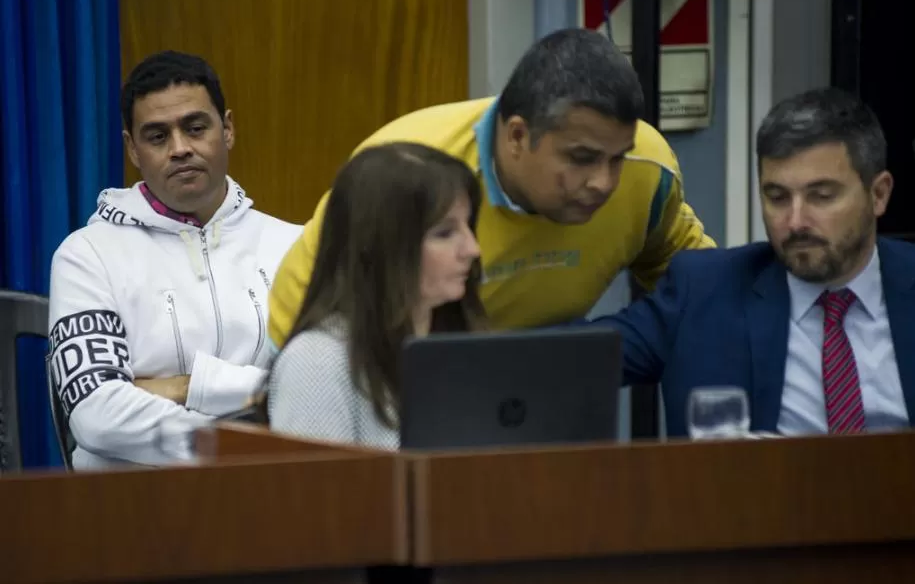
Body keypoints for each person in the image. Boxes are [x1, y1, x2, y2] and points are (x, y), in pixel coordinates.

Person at [267, 28, 715, 350]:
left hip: (541, 389)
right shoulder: (406, 169)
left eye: (616, 158)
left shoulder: (647, 170)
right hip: (399, 393)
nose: (605, 181)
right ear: (518, 136)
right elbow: (300, 328)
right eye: (581, 158)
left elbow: (702, 291)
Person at [592, 87, 915, 437]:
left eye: (822, 196)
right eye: (777, 197)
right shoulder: (703, 293)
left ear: (878, 195)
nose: (795, 221)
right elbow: (571, 360)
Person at [47, 51, 301, 469]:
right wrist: (243, 433)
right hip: (129, 508)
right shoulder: (86, 256)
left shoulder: (296, 246)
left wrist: (187, 386)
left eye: (196, 128)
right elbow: (95, 416)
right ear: (132, 148)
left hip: (269, 496)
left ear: (229, 129)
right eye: (158, 136)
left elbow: (324, 391)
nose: (181, 149)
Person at [268, 143, 486, 448]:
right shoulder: (316, 363)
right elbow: (319, 495)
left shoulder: (457, 346)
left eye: (468, 226)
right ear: (386, 247)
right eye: (445, 233)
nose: (473, 249)